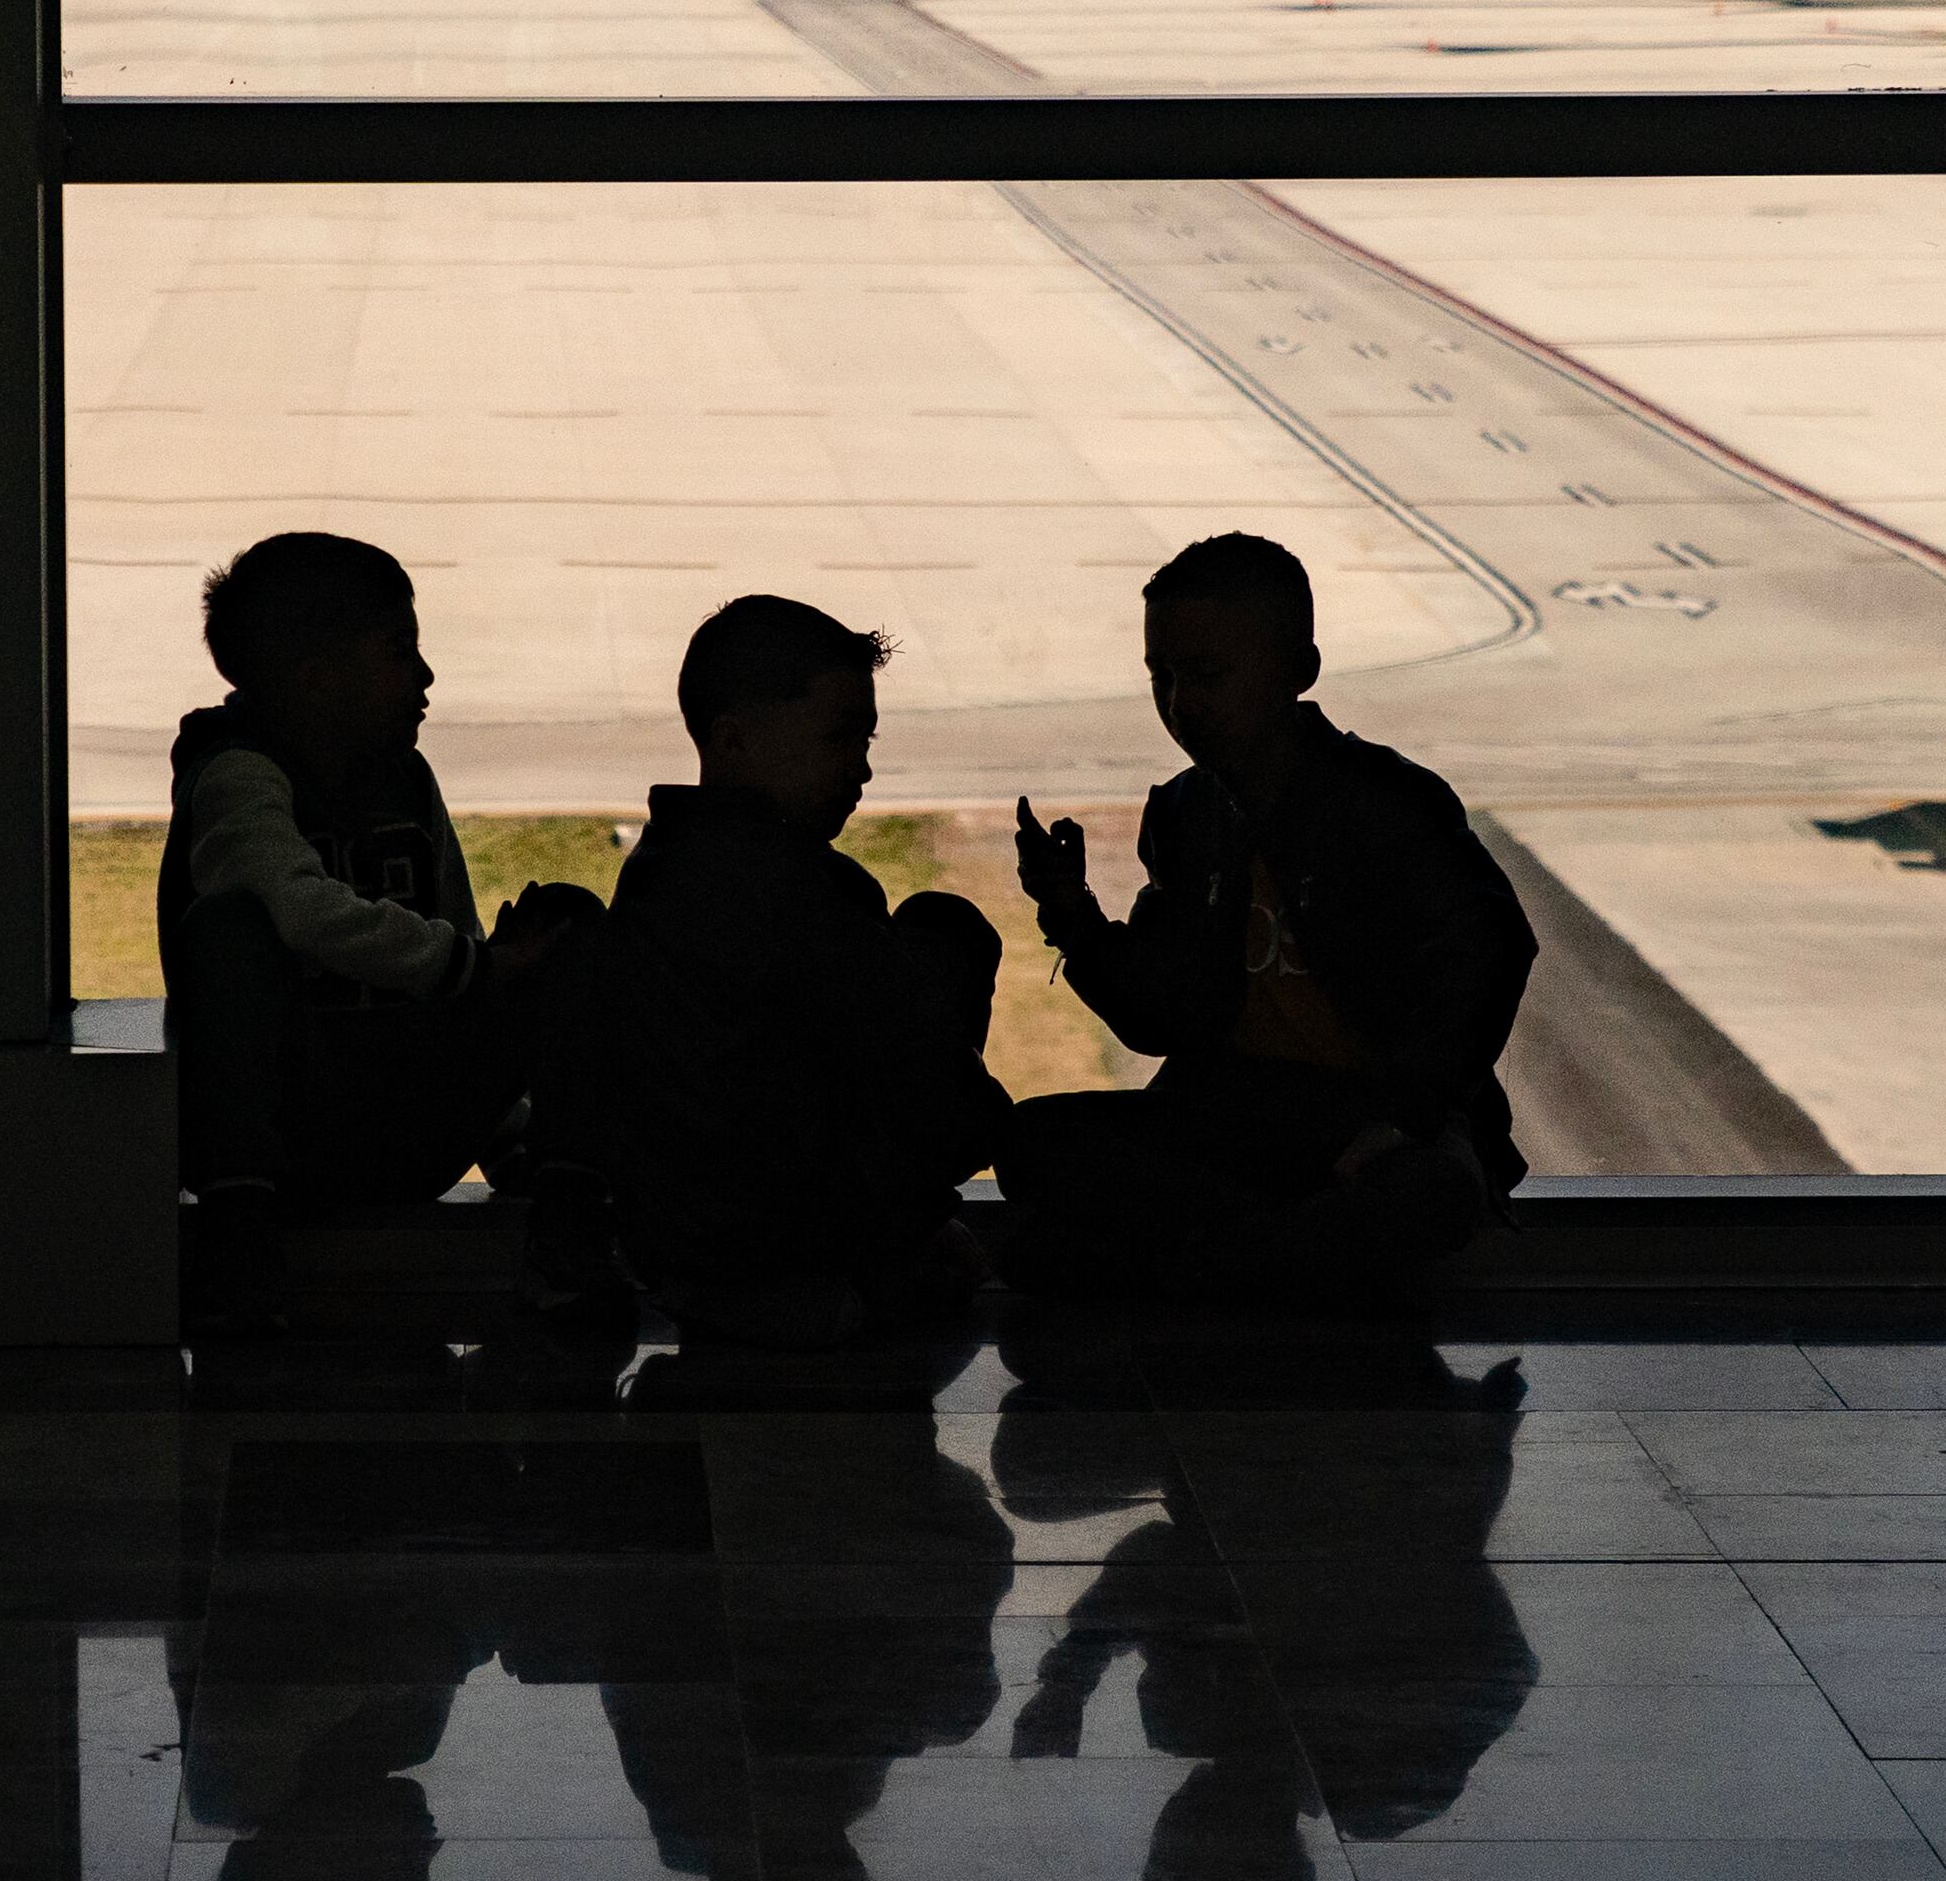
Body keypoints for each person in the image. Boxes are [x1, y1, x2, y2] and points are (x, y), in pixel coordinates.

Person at [1001, 531, 1534, 1309]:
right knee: (1026, 1143)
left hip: (1367, 1118)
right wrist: (1072, 916)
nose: (1181, 705)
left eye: (1209, 675)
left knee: (1422, 1188)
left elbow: (1491, 948)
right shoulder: (1185, 813)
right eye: (1163, 677)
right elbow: (1161, 1017)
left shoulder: (1387, 803)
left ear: (1299, 671)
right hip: (1234, 1111)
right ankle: (1271, 1263)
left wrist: (1409, 1112)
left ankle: (1215, 1267)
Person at [165, 531, 593, 1333]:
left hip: (406, 1122)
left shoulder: (407, 777)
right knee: (232, 931)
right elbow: (293, 908)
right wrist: (472, 968)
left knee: (564, 923)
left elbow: (455, 929)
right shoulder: (235, 775)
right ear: (317, 678)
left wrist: (502, 1131)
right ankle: (239, 1242)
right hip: (288, 1144)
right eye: (401, 651)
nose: (426, 677)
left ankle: (563, 1218)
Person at [576, 593, 1008, 1347]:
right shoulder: (808, 895)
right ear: (734, 742)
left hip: (669, 1243)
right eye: (841, 738)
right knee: (946, 931)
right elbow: (951, 1109)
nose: (864, 768)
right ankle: (873, 1272)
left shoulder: (652, 872)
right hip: (783, 1248)